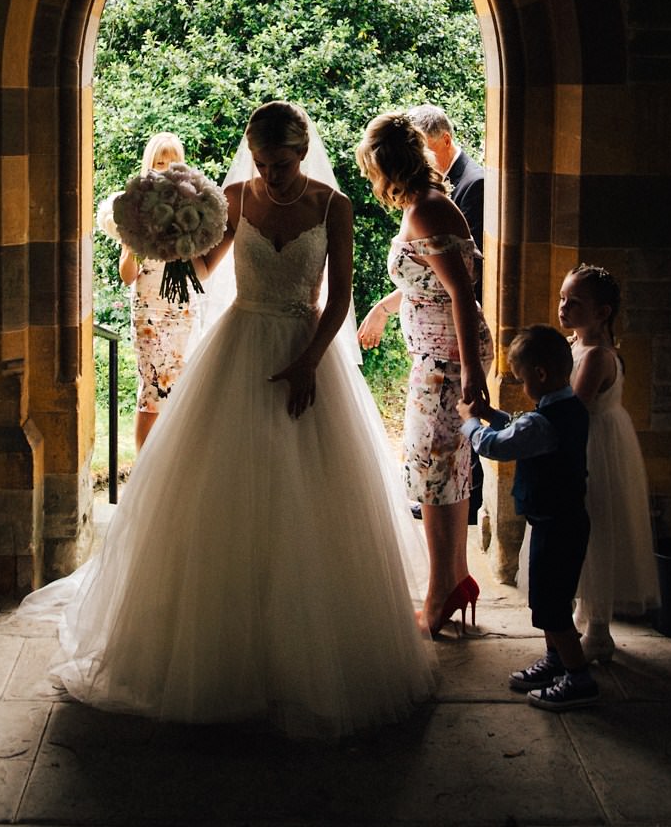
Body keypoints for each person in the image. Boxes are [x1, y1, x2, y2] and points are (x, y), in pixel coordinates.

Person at [28, 101, 434, 737]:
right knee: (224, 497)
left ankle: (304, 658)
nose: (274, 176)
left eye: (286, 164)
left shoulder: (333, 207)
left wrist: (306, 365)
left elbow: (341, 301)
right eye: (266, 164)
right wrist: (174, 234)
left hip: (307, 349)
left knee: (310, 502)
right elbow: (206, 269)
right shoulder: (235, 198)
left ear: (303, 155)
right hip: (240, 344)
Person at [355, 110, 494, 638]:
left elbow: (462, 292)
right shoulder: (425, 206)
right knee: (448, 473)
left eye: (372, 170)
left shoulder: (429, 210)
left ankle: (440, 595)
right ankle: (454, 580)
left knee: (434, 478)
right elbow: (432, 282)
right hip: (437, 356)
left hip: (445, 363)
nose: (373, 181)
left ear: (389, 166)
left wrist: (474, 375)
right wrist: (388, 307)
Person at [460, 324, 600, 711]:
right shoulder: (568, 409)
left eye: (520, 379)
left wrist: (471, 422)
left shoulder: (543, 423)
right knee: (548, 600)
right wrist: (490, 412)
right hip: (564, 522)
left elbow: (496, 445)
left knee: (554, 608)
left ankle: (578, 679)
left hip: (556, 526)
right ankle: (556, 662)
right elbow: (521, 427)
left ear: (539, 375)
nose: (521, 387)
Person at [561, 264, 659, 661]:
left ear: (602, 313)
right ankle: (586, 615)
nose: (564, 307)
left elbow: (574, 408)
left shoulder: (598, 357)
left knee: (595, 527)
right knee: (582, 527)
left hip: (595, 445)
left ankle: (598, 631)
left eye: (575, 302)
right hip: (590, 440)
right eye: (562, 299)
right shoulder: (577, 345)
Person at [115, 132, 198, 450]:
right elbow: (127, 275)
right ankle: (142, 474)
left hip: (181, 306)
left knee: (178, 388)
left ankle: (170, 467)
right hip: (148, 309)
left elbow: (198, 264)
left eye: (172, 162)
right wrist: (133, 244)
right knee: (152, 389)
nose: (165, 169)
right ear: (149, 165)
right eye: (159, 162)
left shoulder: (191, 205)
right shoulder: (134, 209)